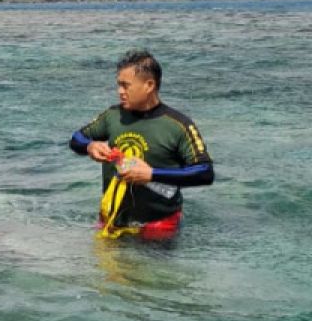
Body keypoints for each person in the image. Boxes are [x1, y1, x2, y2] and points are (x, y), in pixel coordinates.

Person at [69, 50, 213, 241]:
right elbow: (76, 138)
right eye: (118, 85)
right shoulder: (113, 116)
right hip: (112, 222)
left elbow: (205, 172)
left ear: (149, 85)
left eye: (125, 86)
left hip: (158, 228)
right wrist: (90, 146)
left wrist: (151, 174)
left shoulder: (178, 125)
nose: (120, 91)